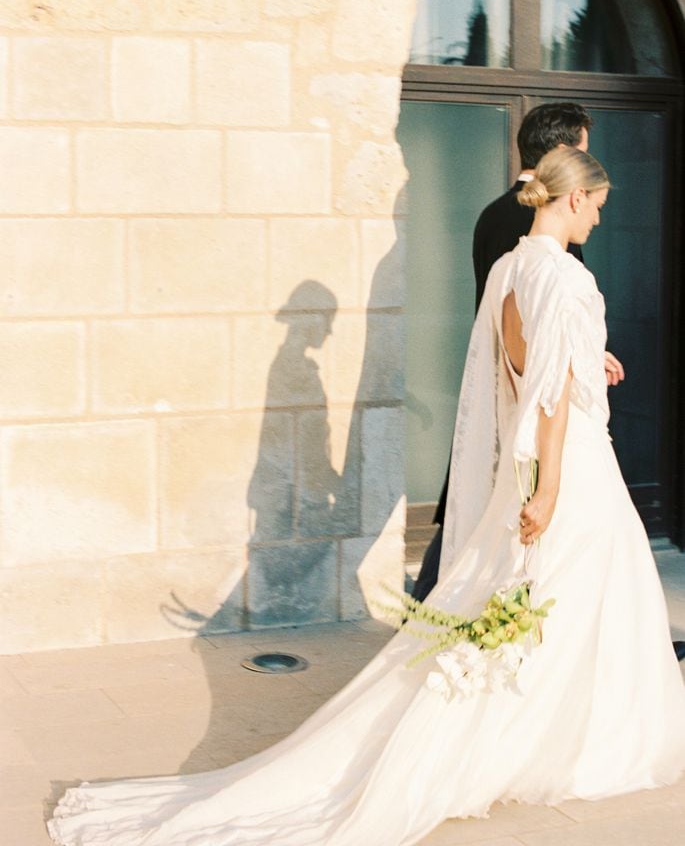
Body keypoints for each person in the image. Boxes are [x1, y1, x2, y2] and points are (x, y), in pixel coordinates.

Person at [48, 146, 685, 846]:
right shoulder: (565, 279)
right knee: (582, 599)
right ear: (572, 199)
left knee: (543, 603)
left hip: (530, 466)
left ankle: (551, 734)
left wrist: (579, 361)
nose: (598, 218)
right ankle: (563, 742)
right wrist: (551, 484)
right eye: (596, 204)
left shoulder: (510, 269)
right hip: (572, 468)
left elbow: (526, 364)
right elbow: (551, 396)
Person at [412, 101, 624, 603]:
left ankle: (434, 609)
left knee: (488, 517)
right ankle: (435, 610)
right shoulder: (549, 248)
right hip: (539, 406)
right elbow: (547, 352)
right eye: (584, 155)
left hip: (510, 381)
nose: (594, 216)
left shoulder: (495, 220)